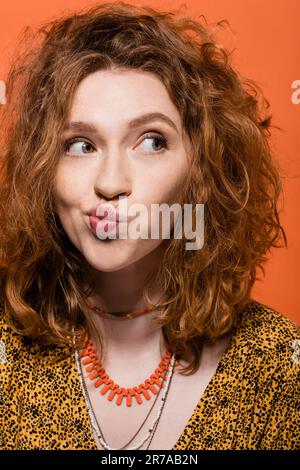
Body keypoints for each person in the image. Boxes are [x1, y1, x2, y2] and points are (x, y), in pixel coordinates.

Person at [0, 2, 299, 451]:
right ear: (43, 168)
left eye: (151, 142)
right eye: (81, 145)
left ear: (201, 169)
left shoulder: (281, 366)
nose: (111, 183)